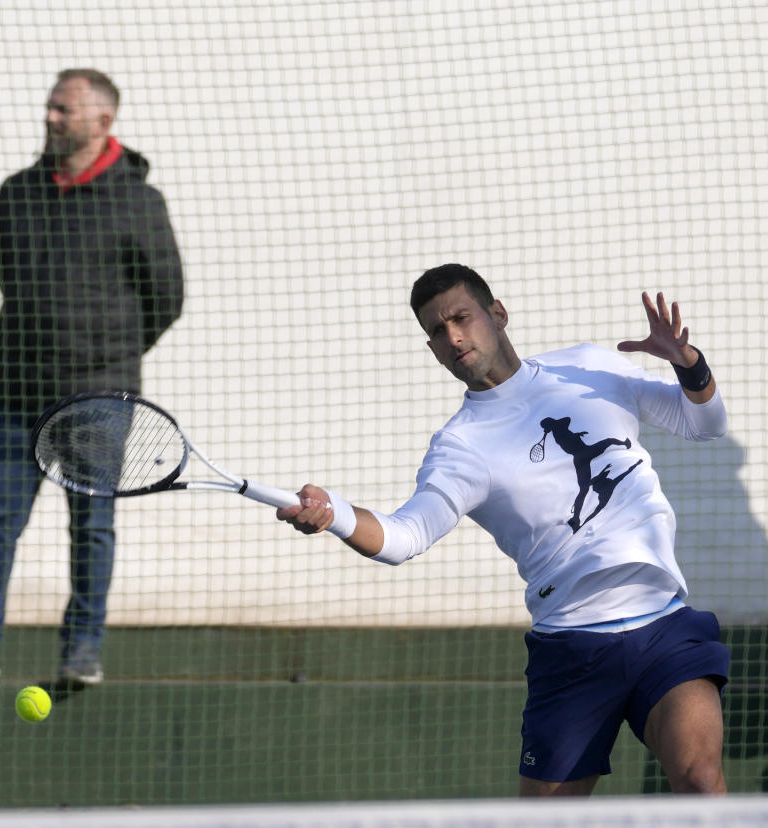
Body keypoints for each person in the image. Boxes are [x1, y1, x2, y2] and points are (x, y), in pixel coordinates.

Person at [277, 264, 730, 797]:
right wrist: (336, 514)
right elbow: (403, 537)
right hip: (572, 650)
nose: (453, 338)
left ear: (498, 314)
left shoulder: (588, 367)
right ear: (433, 351)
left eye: (461, 318)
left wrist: (690, 366)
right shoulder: (460, 447)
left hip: (663, 628)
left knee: (700, 779)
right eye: (437, 332)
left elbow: (705, 423)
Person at [0, 68, 184, 685]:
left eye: (64, 110)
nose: (50, 118)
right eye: (50, 107)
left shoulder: (139, 200)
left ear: (102, 121)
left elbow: (166, 297)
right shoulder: (17, 191)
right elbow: (7, 275)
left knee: (92, 525)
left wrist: (108, 352)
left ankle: (82, 651)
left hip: (99, 397)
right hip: (21, 390)